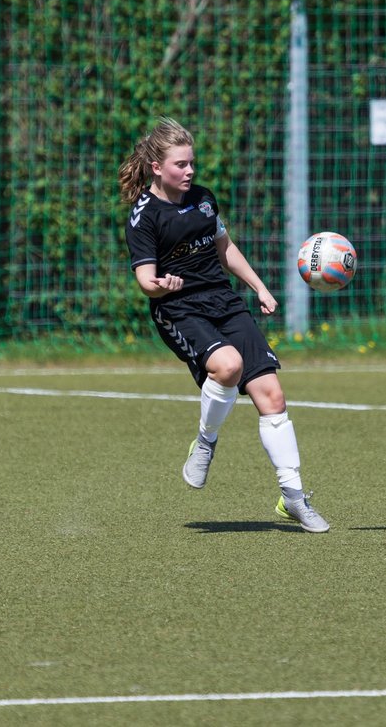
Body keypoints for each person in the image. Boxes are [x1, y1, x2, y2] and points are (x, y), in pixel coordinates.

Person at [118, 117, 329, 532]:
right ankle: (205, 442)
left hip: (222, 300)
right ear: (157, 168)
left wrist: (260, 288)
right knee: (227, 366)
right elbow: (145, 281)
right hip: (177, 307)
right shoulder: (143, 216)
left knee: (272, 394)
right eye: (181, 164)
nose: (190, 171)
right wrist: (163, 285)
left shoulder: (204, 200)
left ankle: (293, 498)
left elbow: (225, 248)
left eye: (192, 162)